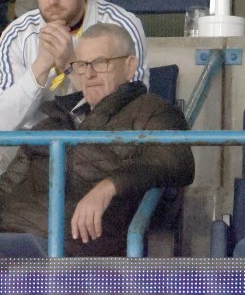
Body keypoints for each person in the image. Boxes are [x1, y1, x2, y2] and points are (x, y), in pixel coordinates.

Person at [0, 23, 194, 257]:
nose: (89, 74)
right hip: (13, 236)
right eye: (82, 65)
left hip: (69, 246)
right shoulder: (55, 118)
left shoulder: (152, 111)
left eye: (101, 63)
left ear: (130, 66)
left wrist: (108, 187)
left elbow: (176, 160)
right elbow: (8, 184)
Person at [0, 0, 149, 172]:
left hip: (101, 145)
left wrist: (71, 64)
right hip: (33, 147)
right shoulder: (17, 34)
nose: (53, 1)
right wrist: (40, 68)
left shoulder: (120, 25)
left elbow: (130, 115)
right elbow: (3, 124)